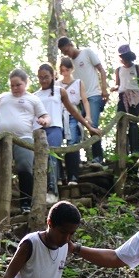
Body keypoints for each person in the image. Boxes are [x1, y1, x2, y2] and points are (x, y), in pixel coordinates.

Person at [0, 69, 50, 222]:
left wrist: (44, 121)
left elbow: (44, 115)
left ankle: (25, 204)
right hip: (0, 138)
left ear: (25, 83)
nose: (15, 88)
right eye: (12, 85)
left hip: (24, 138)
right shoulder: (3, 97)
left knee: (24, 168)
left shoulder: (33, 99)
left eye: (18, 85)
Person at [34, 63, 100, 204]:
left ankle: (52, 191)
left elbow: (73, 111)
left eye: (46, 77)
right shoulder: (35, 95)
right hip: (38, 131)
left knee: (50, 154)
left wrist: (89, 126)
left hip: (55, 129)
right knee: (39, 160)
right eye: (40, 77)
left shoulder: (60, 91)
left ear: (53, 76)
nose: (43, 80)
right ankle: (41, 192)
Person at [57, 37, 109, 165]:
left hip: (93, 95)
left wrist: (104, 89)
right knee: (77, 128)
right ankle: (77, 160)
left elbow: (101, 69)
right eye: (63, 52)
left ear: (71, 44)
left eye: (66, 50)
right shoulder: (69, 64)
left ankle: (98, 158)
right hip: (78, 99)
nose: (66, 53)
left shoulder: (87, 53)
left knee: (92, 124)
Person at [56, 57, 91, 186]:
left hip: (73, 114)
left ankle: (73, 176)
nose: (64, 72)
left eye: (67, 69)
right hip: (59, 114)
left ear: (71, 69)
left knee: (73, 143)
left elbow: (85, 100)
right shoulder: (56, 84)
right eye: (62, 70)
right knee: (56, 143)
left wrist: (88, 115)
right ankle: (59, 176)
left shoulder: (78, 83)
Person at [111, 45, 139, 157]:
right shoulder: (118, 70)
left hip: (135, 97)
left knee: (133, 122)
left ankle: (135, 151)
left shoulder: (137, 68)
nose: (124, 60)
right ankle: (122, 151)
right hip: (122, 97)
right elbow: (118, 84)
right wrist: (112, 89)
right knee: (121, 121)